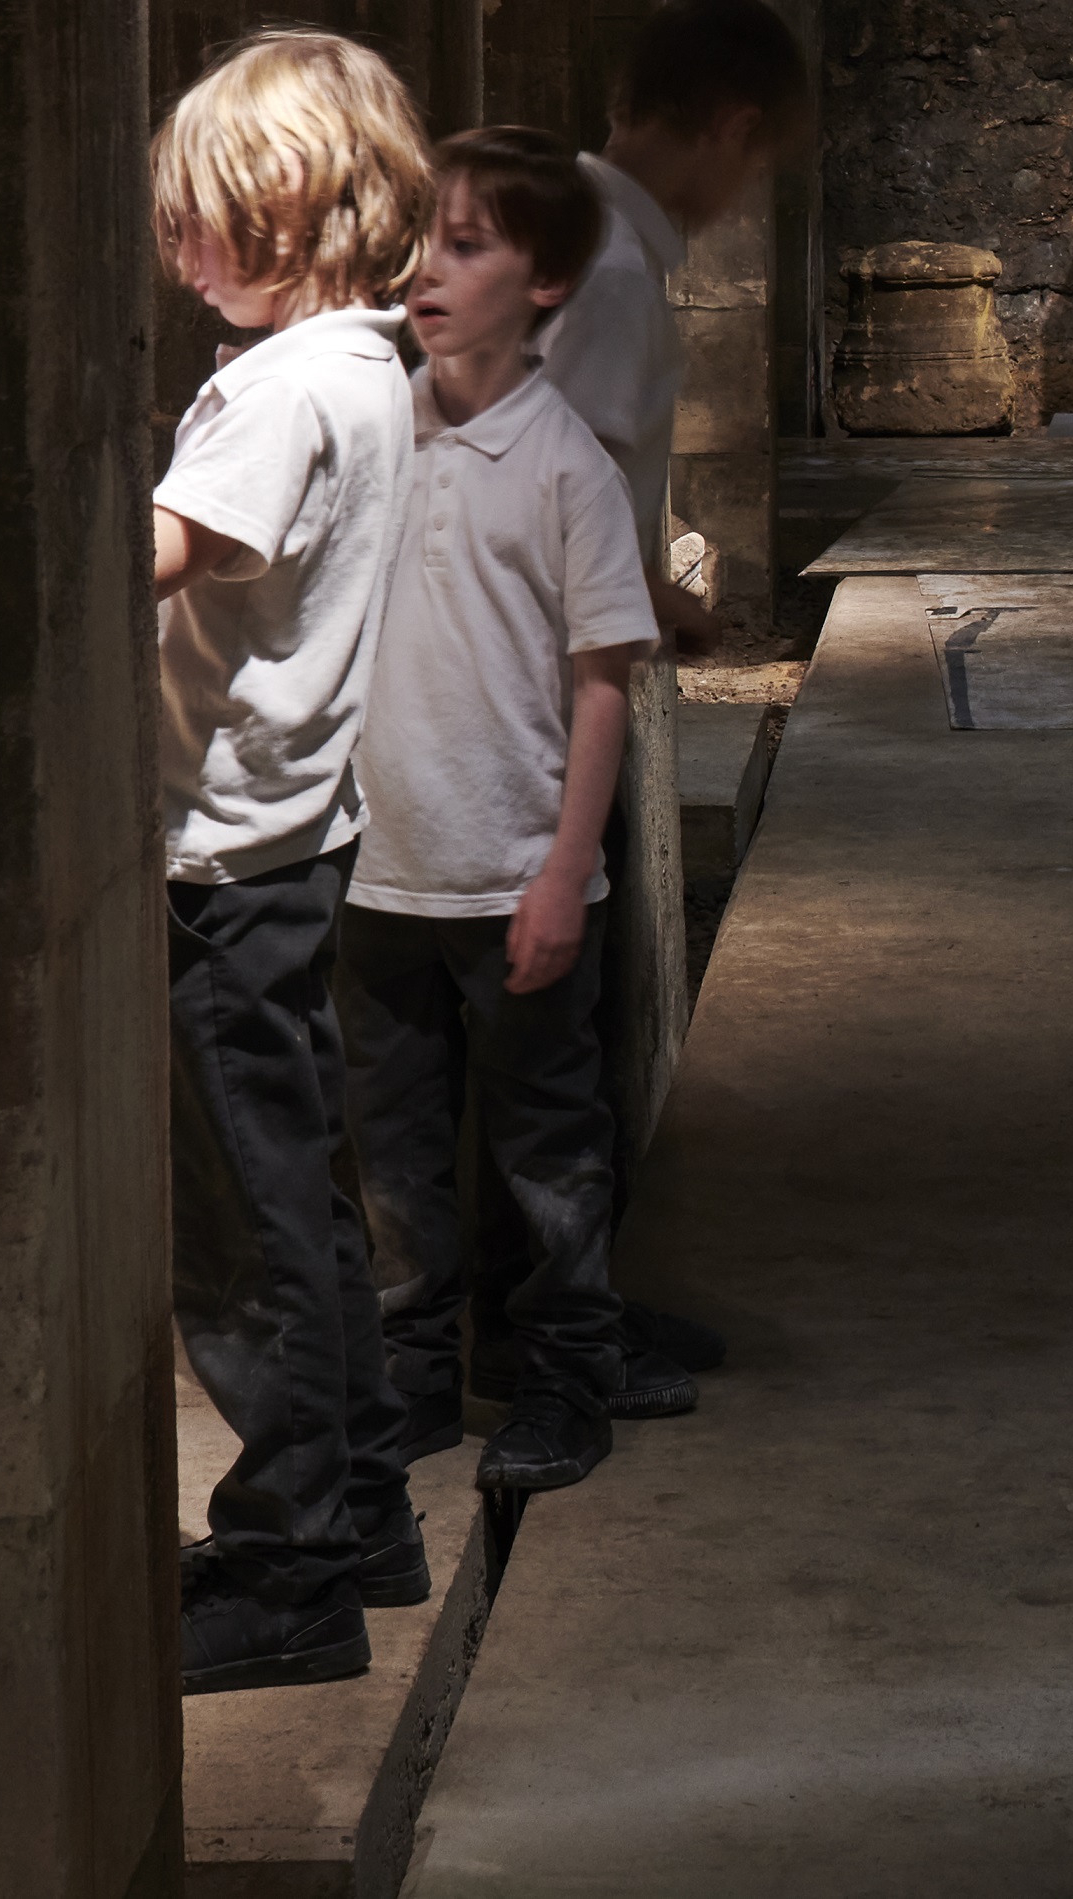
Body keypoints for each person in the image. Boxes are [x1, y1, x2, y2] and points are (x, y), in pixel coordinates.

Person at [147, 29, 433, 1695]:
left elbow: (159, 548)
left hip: (219, 857)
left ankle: (293, 1566)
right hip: (284, 839)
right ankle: (367, 1507)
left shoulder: (286, 388)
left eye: (203, 216)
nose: (179, 243)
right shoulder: (367, 367)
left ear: (305, 210)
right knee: (301, 1201)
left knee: (250, 1236)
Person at [343, 129, 663, 1512]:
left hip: (513, 870)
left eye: (468, 244)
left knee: (545, 1154)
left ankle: (564, 1379)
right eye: (423, 238)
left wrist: (563, 872)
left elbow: (604, 686)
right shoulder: (368, 429)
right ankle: (413, 1381)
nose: (428, 269)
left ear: (545, 282)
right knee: (394, 1161)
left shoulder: (561, 462)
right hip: (379, 876)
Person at [537, 0, 810, 1408]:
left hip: (572, 673)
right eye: (752, 165)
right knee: (551, 1044)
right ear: (726, 126)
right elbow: (550, 478)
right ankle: (553, 1326)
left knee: (576, 1033)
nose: (740, 193)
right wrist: (643, 596)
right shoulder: (610, 266)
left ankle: (579, 1301)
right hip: (534, 702)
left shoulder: (600, 245)